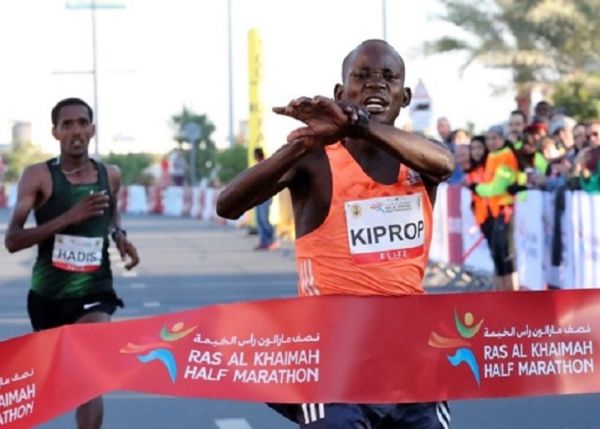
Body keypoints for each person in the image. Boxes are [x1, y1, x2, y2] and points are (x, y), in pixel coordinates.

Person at [217, 39, 454, 429]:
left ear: (405, 96)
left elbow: (444, 164)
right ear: (340, 94)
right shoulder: (315, 160)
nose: (376, 84)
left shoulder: (422, 156)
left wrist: (360, 123)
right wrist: (301, 146)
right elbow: (228, 205)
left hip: (410, 357)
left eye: (388, 77)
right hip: (332, 359)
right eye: (362, 76)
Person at [4, 97, 139, 429]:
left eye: (82, 123)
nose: (76, 131)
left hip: (95, 290)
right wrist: (69, 217)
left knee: (90, 372)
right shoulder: (38, 177)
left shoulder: (111, 175)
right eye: (68, 124)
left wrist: (119, 233)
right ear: (55, 132)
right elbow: (13, 239)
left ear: (92, 129)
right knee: (67, 380)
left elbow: (111, 213)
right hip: (48, 296)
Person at [253, 147, 278, 250]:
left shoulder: (266, 165)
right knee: (259, 220)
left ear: (257, 155)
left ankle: (272, 239)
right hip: (257, 197)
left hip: (265, 196)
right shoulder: (258, 165)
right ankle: (263, 241)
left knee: (264, 219)